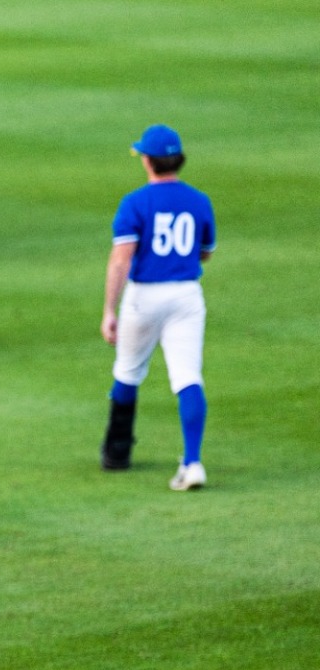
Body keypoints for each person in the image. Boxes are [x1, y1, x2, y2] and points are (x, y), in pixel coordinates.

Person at [100, 124, 215, 491]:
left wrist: (109, 310)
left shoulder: (135, 202)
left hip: (144, 297)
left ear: (147, 161)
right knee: (188, 377)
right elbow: (205, 252)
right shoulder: (199, 200)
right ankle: (192, 461)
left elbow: (120, 261)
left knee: (128, 372)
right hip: (186, 295)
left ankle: (117, 452)